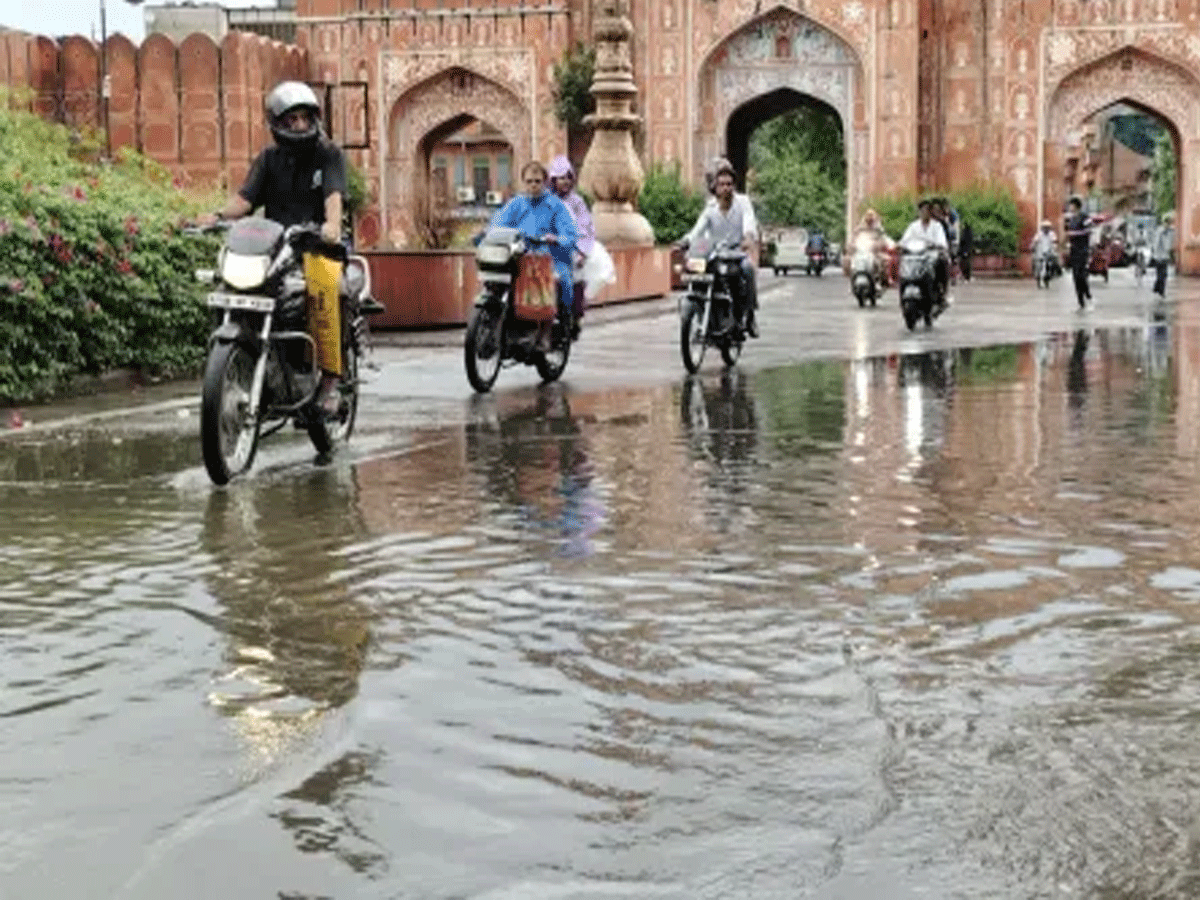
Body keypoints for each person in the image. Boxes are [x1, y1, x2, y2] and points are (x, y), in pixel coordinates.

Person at [202, 81, 348, 417]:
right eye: (291, 119)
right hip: (274, 250)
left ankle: (330, 380)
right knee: (233, 286)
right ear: (277, 125)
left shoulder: (328, 154)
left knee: (325, 289)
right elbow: (245, 200)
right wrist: (216, 216)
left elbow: (333, 197)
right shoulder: (268, 159)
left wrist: (331, 226)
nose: (299, 125)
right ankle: (245, 360)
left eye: (304, 118)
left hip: (317, 248)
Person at [488, 160, 578, 351]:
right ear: (523, 182)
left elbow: (570, 235)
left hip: (550, 258)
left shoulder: (556, 206)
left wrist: (556, 239)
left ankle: (545, 332)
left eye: (537, 181)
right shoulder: (516, 204)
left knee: (551, 281)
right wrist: (486, 233)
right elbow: (498, 223)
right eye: (529, 181)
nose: (533, 185)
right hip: (520, 255)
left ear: (545, 182)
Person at [678, 161, 760, 337]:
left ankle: (750, 315)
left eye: (729, 184)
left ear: (734, 186)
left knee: (748, 269)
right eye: (722, 184)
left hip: (737, 253)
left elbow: (749, 223)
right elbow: (698, 230)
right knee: (701, 273)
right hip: (716, 254)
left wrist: (748, 237)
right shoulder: (710, 208)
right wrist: (686, 241)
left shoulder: (743, 203)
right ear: (715, 186)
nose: (726, 188)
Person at [546, 155, 594, 341]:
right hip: (546, 247)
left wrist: (581, 250)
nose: (564, 182)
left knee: (575, 276)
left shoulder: (577, 203)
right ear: (552, 180)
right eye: (560, 177)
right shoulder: (545, 200)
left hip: (569, 248)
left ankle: (574, 318)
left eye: (567, 177)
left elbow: (585, 227)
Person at [900, 198, 950, 305]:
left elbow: (942, 242)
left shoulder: (937, 226)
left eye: (927, 210)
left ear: (930, 212)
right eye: (922, 210)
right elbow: (905, 240)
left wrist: (936, 246)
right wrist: (899, 246)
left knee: (944, 261)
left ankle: (943, 293)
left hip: (930, 256)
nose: (924, 213)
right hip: (915, 256)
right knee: (903, 267)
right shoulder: (913, 226)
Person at [1063, 196, 1093, 310]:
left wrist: (1074, 234)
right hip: (1073, 250)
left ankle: (1087, 293)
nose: (1069, 207)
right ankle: (1080, 300)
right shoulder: (1071, 219)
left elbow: (1088, 231)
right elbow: (1068, 233)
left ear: (1076, 206)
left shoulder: (1085, 217)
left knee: (1081, 274)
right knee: (1075, 275)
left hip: (1083, 249)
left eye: (1071, 205)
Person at [854, 207, 895, 288]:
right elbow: (855, 237)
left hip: (874, 251)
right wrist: (852, 244)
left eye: (871, 218)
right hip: (863, 251)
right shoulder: (860, 228)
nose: (869, 220)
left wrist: (881, 244)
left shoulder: (878, 228)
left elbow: (884, 238)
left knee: (881, 262)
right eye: (868, 218)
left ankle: (878, 281)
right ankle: (854, 280)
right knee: (854, 262)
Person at [1150, 210, 1176, 298]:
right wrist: (1155, 254)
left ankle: (1159, 289)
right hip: (1159, 256)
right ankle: (1159, 289)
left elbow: (1170, 244)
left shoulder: (1171, 231)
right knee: (1161, 274)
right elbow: (1156, 243)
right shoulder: (1160, 231)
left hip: (1165, 256)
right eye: (1168, 222)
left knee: (1164, 274)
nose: (1169, 223)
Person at [1030, 219, 1060, 285]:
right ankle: (1037, 276)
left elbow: (1054, 242)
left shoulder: (1052, 234)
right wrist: (1032, 247)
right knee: (1038, 265)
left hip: (1049, 252)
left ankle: (1053, 274)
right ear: (1042, 228)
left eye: (1047, 227)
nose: (1046, 229)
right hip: (1040, 252)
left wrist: (1055, 247)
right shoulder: (1039, 234)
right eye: (1045, 227)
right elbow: (1035, 241)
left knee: (1054, 262)